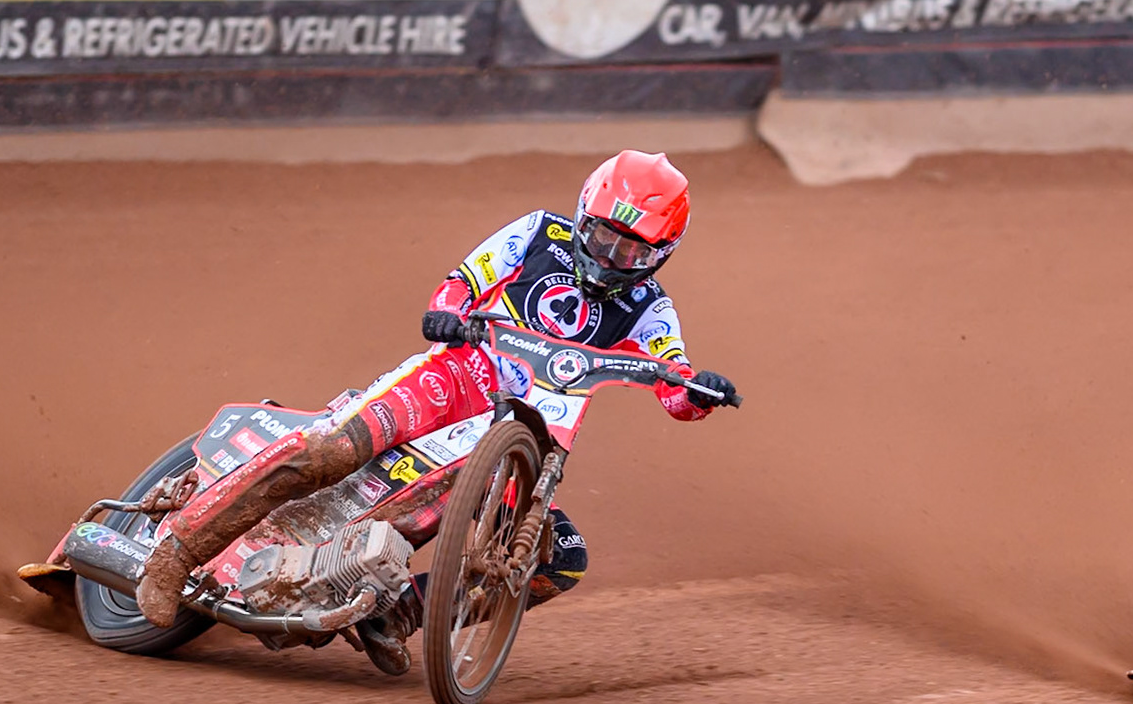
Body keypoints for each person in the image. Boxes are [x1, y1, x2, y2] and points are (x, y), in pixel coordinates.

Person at [135, 150, 737, 629]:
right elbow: (459, 285)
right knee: (330, 452)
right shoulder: (535, 232)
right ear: (583, 215)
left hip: (532, 436)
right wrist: (447, 314)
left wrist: (700, 393)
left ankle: (398, 618)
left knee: (563, 560)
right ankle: (176, 554)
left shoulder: (650, 310)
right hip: (454, 378)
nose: (612, 256)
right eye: (605, 236)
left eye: (633, 248)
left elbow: (675, 384)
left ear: (662, 253)